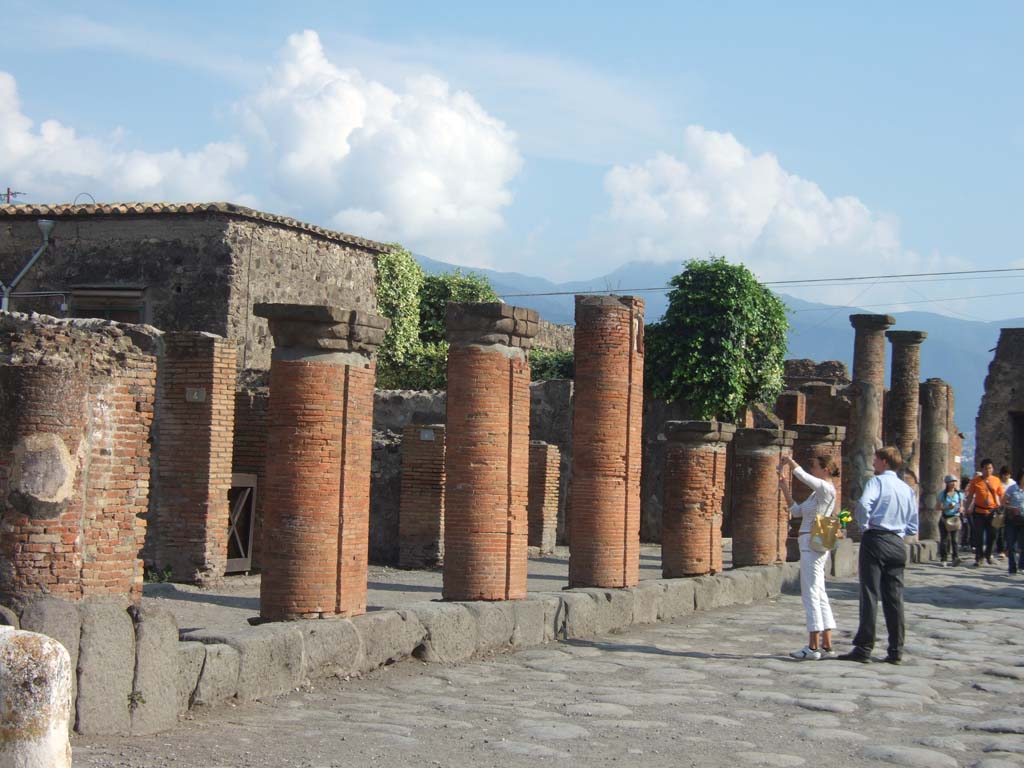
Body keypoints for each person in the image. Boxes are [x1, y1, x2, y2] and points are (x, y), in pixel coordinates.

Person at [839, 446, 918, 665]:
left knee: (870, 593)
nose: (873, 463)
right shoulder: (906, 489)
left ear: (884, 462)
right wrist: (904, 529)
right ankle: (896, 650)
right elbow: (913, 523)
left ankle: (864, 647)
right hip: (897, 542)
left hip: (876, 538)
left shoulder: (876, 482)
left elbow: (864, 503)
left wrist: (864, 526)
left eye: (876, 459)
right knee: (894, 598)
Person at [778, 454, 839, 661]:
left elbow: (803, 476)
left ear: (826, 469)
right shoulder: (816, 495)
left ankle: (813, 646)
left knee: (810, 592)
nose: (812, 470)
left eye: (815, 467)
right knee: (819, 592)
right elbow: (797, 511)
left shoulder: (826, 488)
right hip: (808, 543)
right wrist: (785, 487)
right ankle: (827, 644)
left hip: (813, 546)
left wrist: (790, 461)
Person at [964, 459, 1004, 566]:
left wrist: (1002, 506)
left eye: (990, 468)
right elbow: (970, 496)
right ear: (982, 469)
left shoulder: (996, 480)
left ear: (993, 469)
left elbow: (1001, 495)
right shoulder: (976, 481)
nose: (988, 470)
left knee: (993, 535)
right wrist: (966, 508)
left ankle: (988, 554)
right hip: (979, 512)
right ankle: (979, 558)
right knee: (979, 536)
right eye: (986, 468)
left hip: (992, 512)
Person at [936, 475, 964, 567]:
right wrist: (948, 507)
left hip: (955, 518)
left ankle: (955, 557)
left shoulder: (959, 494)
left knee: (955, 540)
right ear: (947, 483)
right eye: (951, 482)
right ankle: (943, 558)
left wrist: (960, 508)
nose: (953, 484)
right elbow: (938, 507)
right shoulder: (942, 494)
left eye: (955, 482)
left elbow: (961, 505)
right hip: (945, 519)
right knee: (944, 539)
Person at [1001, 469, 1024, 575]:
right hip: (1012, 520)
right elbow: (1003, 503)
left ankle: (1022, 565)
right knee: (1011, 544)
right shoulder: (1012, 489)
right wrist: (1012, 508)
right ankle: (1012, 567)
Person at [995, 466, 1016, 559]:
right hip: (1001, 508)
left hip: (1011, 509)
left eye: (1007, 474)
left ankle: (1008, 549)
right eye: (1004, 475)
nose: (1006, 476)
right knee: (1000, 530)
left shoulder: (1013, 483)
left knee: (1009, 529)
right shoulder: (999, 483)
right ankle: (1001, 549)